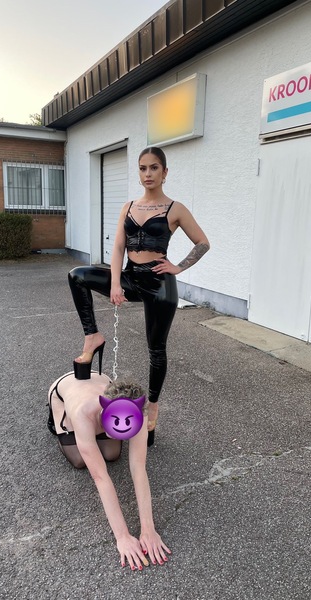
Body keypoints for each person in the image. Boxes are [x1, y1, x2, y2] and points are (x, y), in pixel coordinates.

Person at [68, 146, 210, 445]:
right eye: (143, 168)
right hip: (131, 277)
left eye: (154, 168)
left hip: (159, 284)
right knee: (78, 275)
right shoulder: (129, 206)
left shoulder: (176, 209)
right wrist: (115, 283)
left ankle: (153, 407)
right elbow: (119, 247)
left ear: (165, 172)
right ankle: (92, 337)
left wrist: (177, 267)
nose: (148, 173)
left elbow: (202, 243)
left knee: (156, 350)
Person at [48, 372, 171, 570]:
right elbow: (100, 477)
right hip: (65, 392)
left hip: (99, 381)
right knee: (80, 460)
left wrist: (148, 529)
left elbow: (138, 467)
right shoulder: (83, 413)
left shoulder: (139, 411)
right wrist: (122, 536)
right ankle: (58, 419)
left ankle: (98, 435)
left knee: (112, 454)